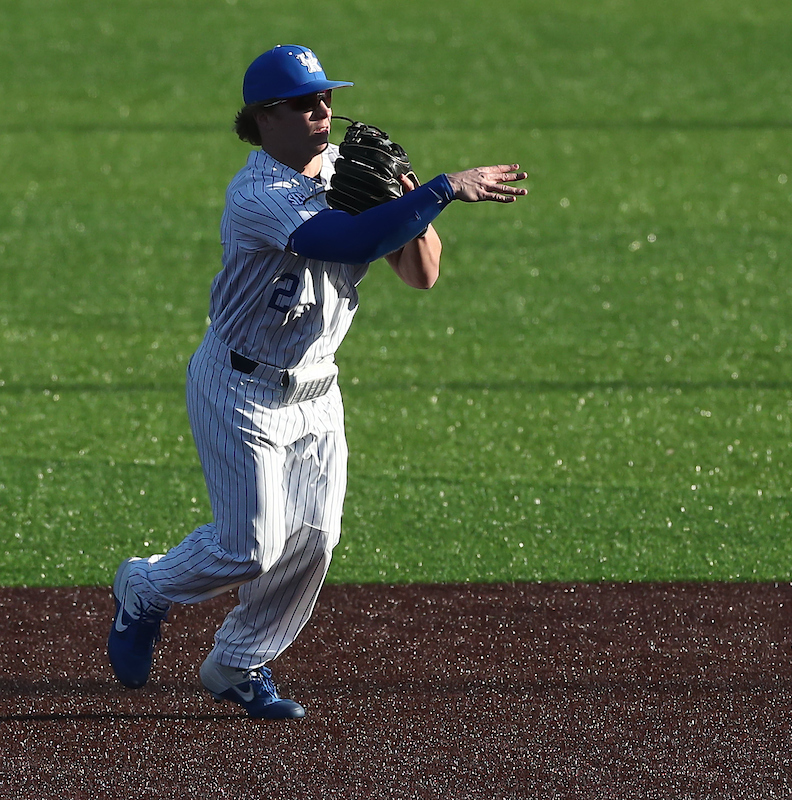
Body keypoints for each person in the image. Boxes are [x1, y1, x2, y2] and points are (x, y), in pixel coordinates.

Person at [106, 44, 528, 719]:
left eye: (326, 97)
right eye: (304, 102)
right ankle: (145, 588)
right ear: (264, 117)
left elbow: (421, 274)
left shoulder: (348, 169)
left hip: (317, 390)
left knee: (313, 542)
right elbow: (347, 243)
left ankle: (238, 662)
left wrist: (411, 197)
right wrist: (442, 189)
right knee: (250, 547)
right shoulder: (257, 195)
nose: (322, 111)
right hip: (239, 388)